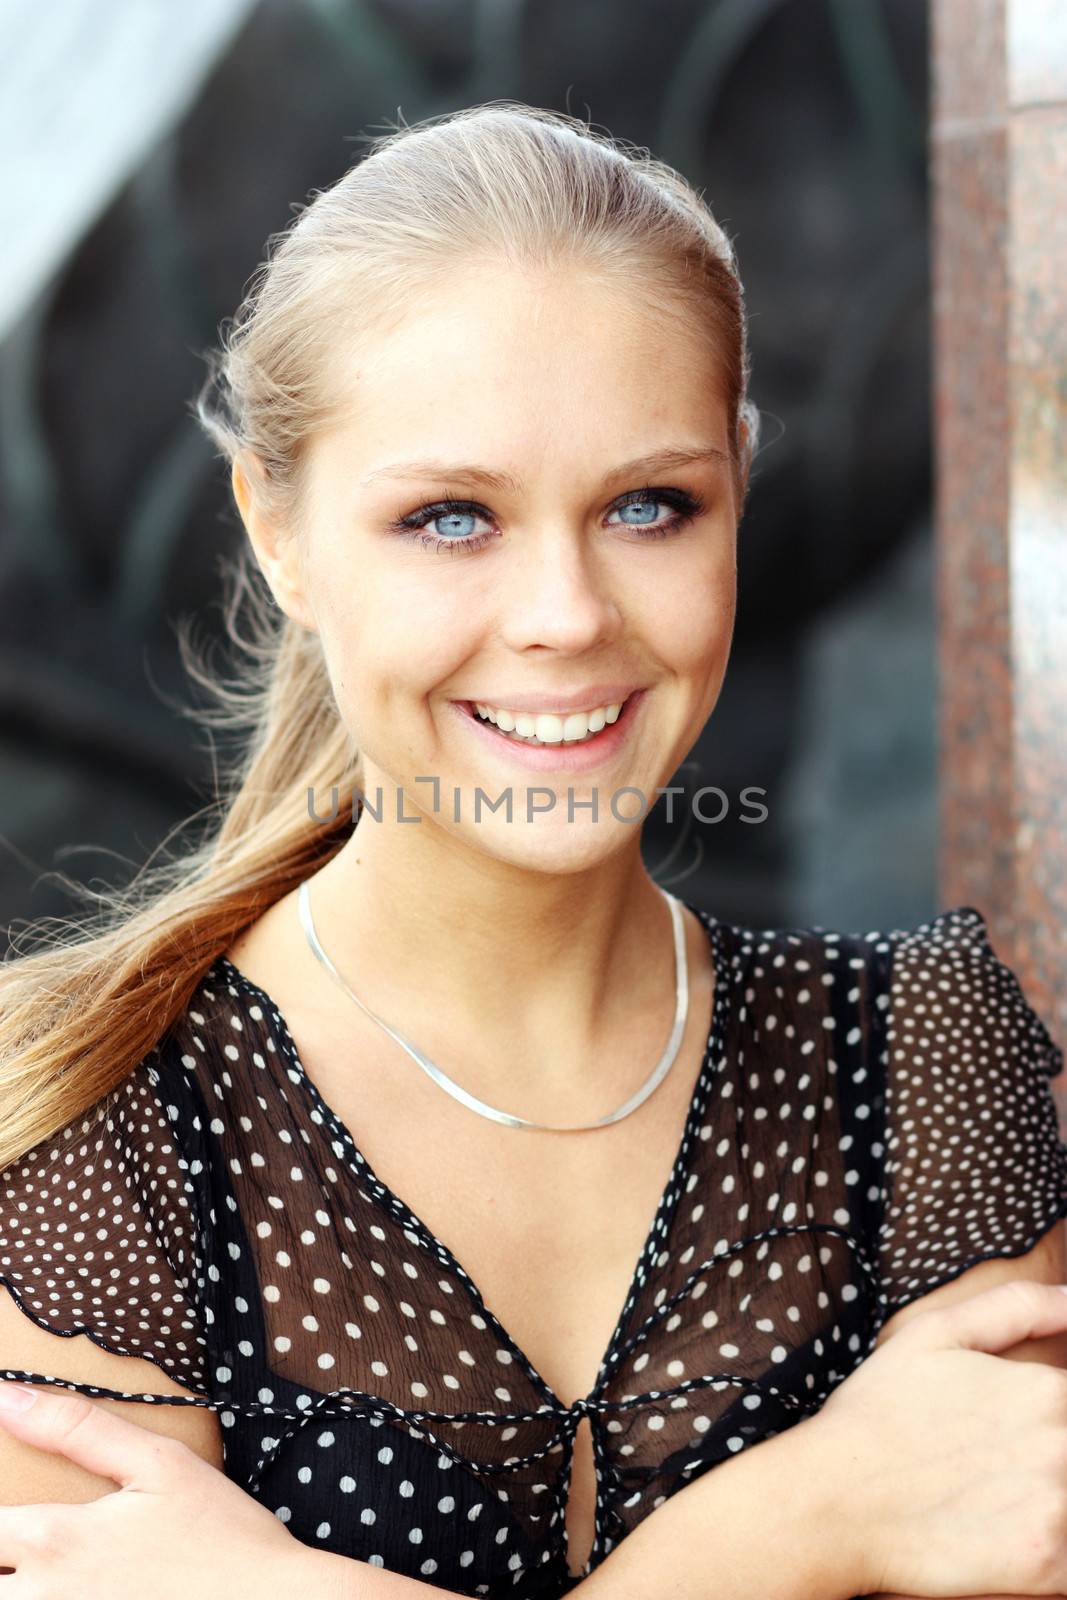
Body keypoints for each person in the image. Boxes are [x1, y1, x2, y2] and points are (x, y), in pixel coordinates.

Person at [2, 100, 1067, 1600]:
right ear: (280, 531)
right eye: (452, 519)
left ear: (735, 505)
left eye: (651, 506)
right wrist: (812, 1522)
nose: (566, 612)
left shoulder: (922, 1062)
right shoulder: (88, 1121)